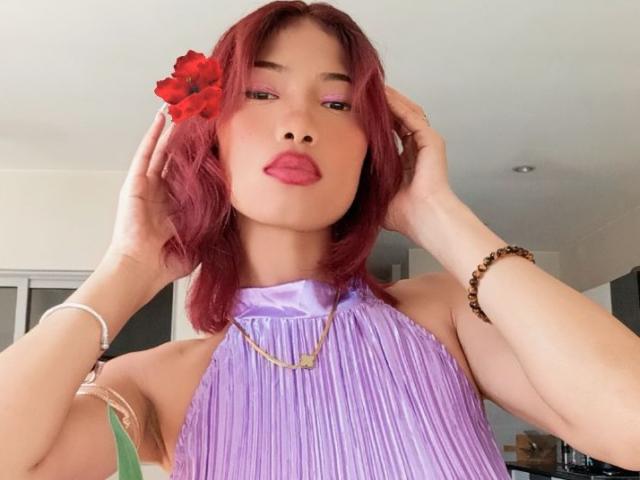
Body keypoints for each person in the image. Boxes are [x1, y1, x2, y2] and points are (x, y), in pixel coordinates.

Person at [11, 1, 639, 479]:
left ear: (371, 148)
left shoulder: (445, 315)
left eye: (338, 104)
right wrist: (125, 269)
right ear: (211, 137)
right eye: (262, 93)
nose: (299, 124)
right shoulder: (153, 384)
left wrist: (441, 217)